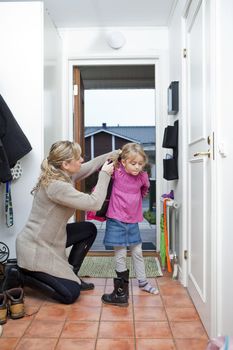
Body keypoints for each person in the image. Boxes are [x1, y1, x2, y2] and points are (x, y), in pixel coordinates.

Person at [3, 140, 119, 304]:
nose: (82, 161)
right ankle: (20, 274)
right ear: (65, 164)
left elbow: (90, 166)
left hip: (51, 240)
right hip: (36, 247)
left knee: (89, 229)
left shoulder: (62, 174)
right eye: (78, 158)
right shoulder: (57, 186)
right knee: (70, 294)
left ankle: (72, 274)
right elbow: (94, 203)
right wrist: (105, 174)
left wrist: (113, 155)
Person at [102, 142, 158, 307]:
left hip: (132, 221)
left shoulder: (142, 177)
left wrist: (135, 202)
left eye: (140, 164)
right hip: (116, 219)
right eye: (133, 163)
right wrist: (117, 153)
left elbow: (145, 189)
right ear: (124, 162)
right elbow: (105, 163)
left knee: (138, 252)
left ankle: (143, 282)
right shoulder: (117, 172)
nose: (137, 167)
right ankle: (121, 291)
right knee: (120, 255)